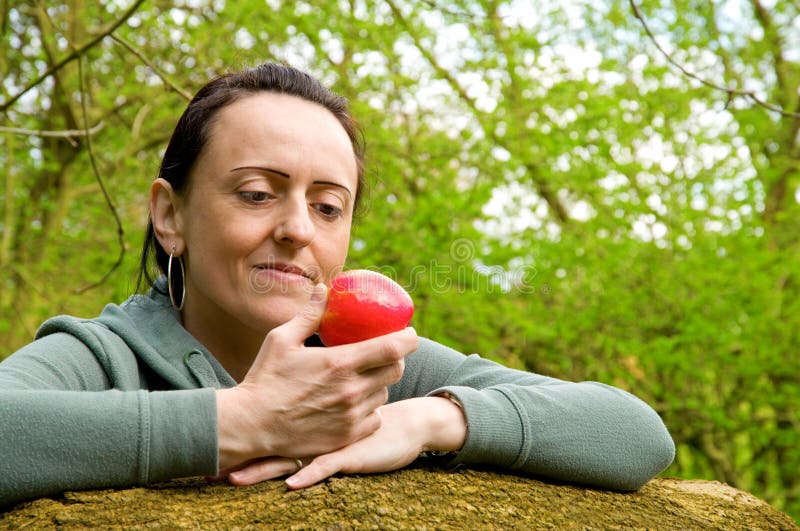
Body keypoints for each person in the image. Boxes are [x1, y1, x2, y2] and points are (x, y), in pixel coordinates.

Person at [0, 63, 675, 508]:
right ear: (170, 215)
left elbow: (637, 434)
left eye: (328, 206)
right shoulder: (102, 354)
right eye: (258, 193)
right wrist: (242, 421)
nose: (297, 229)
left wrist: (424, 419)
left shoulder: (362, 361)